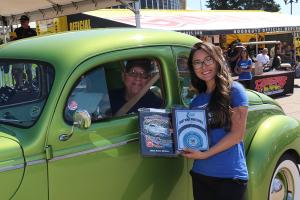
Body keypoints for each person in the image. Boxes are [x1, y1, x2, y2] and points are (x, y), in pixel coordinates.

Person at [183, 42, 249, 200]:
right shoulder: (196, 102)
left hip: (229, 177)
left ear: (218, 60)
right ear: (193, 68)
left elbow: (237, 135)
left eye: (208, 60)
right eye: (197, 62)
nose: (203, 66)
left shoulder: (235, 91)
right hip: (201, 174)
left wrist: (204, 155)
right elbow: (195, 138)